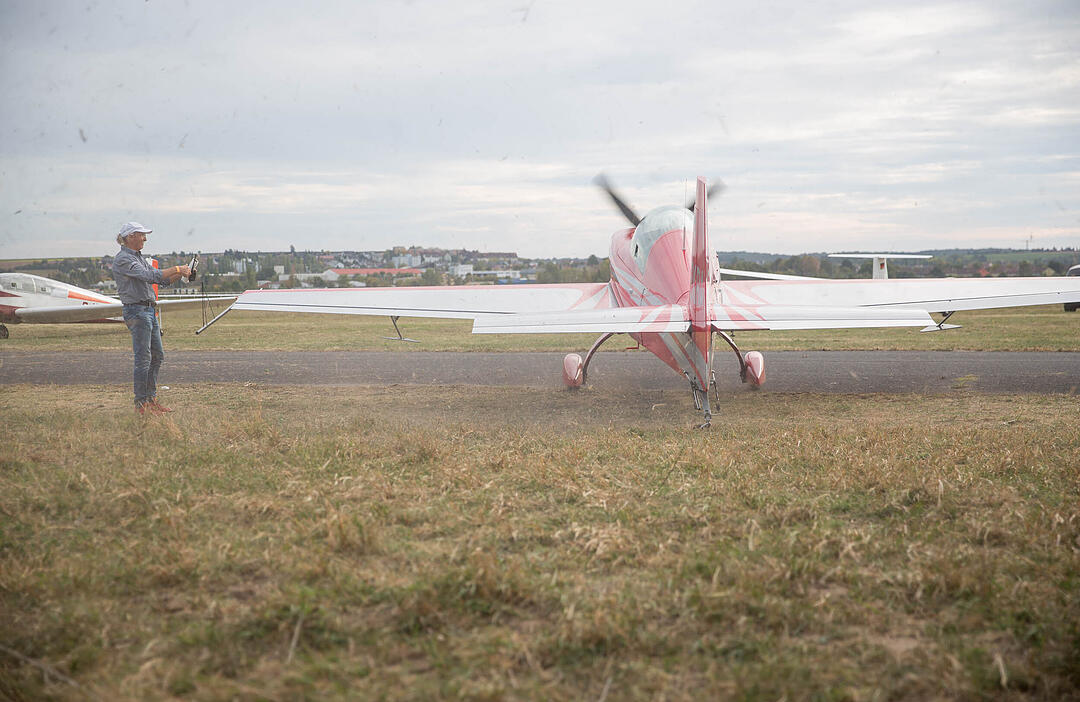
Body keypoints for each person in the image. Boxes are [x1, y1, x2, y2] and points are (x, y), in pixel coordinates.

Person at [111, 222, 191, 414]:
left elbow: (161, 280)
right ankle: (141, 404)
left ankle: (150, 399)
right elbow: (150, 275)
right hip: (137, 311)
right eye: (142, 235)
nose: (145, 239)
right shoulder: (123, 259)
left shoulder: (137, 257)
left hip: (147, 310)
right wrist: (177, 268)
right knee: (144, 358)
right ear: (130, 237)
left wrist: (182, 274)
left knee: (157, 356)